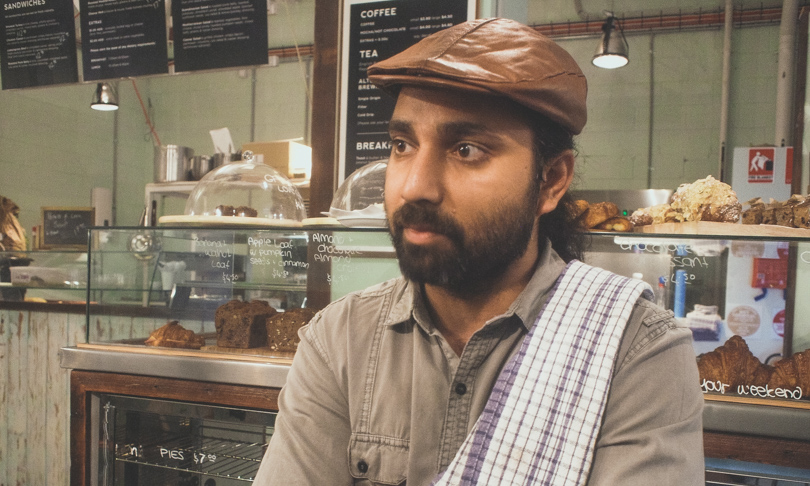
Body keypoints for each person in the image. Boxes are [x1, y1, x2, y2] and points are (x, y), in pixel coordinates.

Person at [254, 17, 704, 485]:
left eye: (466, 149)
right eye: (402, 145)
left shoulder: (635, 350)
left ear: (551, 180)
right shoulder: (341, 339)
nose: (414, 186)